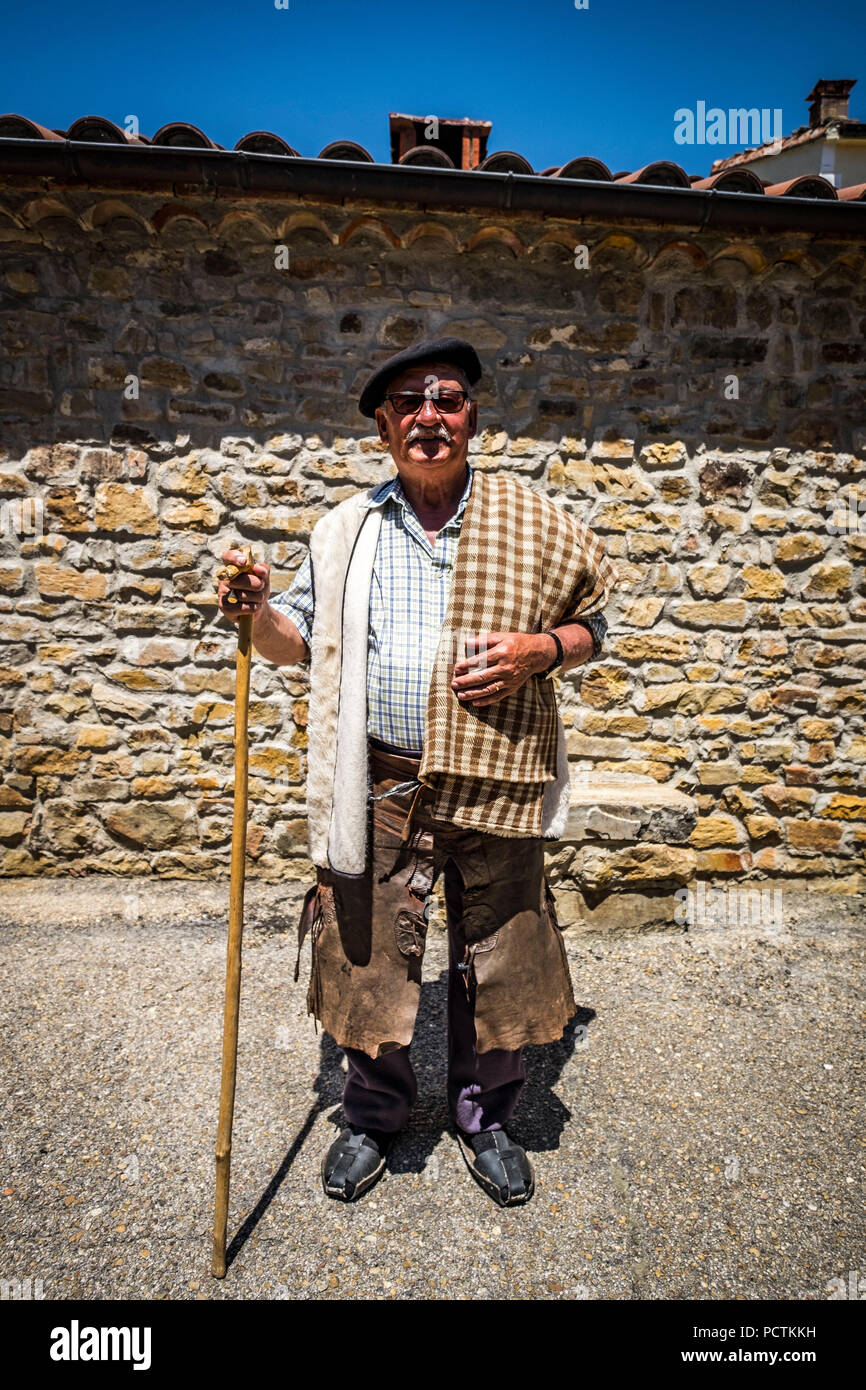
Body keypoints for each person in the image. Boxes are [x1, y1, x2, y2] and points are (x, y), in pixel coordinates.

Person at [214, 336, 616, 1207]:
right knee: (367, 953)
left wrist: (541, 649)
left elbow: (595, 625)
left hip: (498, 775)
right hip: (382, 784)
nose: (428, 416)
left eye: (447, 399)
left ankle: (484, 1116)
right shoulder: (346, 531)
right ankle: (375, 1114)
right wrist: (256, 614)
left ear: (471, 416)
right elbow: (295, 646)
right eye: (408, 404)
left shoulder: (532, 520)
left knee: (504, 953)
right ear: (384, 429)